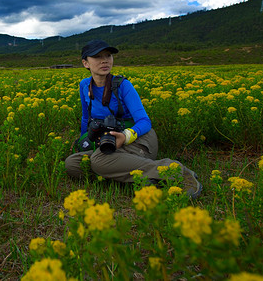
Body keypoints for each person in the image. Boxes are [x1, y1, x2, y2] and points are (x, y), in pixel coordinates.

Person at [65, 39, 202, 198]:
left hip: (138, 138)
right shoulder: (84, 85)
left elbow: (145, 122)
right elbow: (85, 117)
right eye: (97, 57)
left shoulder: (123, 85)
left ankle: (177, 171)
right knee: (72, 164)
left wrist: (125, 136)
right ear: (85, 63)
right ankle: (145, 177)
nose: (105, 60)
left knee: (98, 161)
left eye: (108, 55)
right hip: (107, 141)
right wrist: (83, 141)